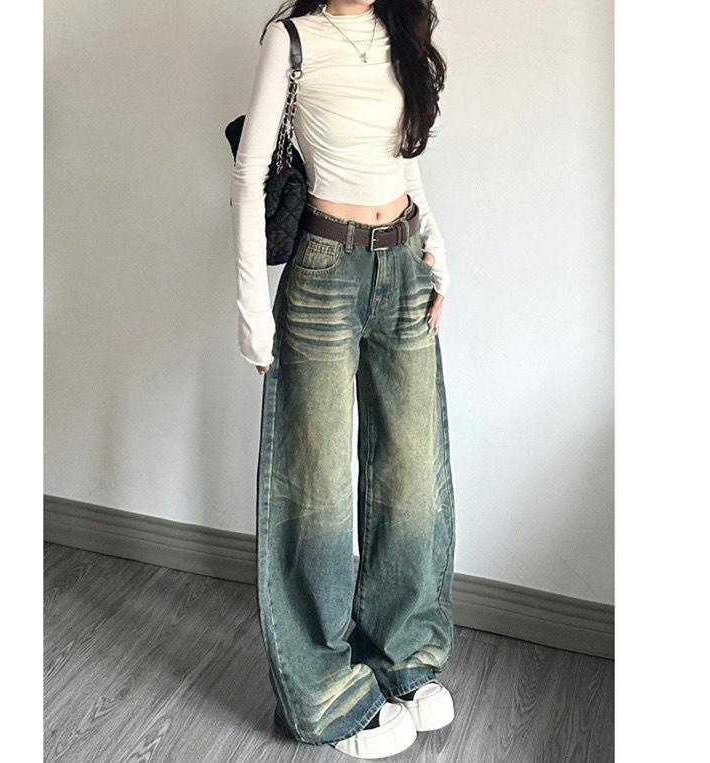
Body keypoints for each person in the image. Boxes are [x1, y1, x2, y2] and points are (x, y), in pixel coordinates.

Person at [230, 1, 456, 757]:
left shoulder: (400, 30)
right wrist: (251, 308)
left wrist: (438, 251)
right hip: (324, 271)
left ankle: (402, 658)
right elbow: (250, 172)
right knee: (316, 491)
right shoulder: (291, 38)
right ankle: (324, 695)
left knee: (411, 476)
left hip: (404, 262)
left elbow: (404, 162)